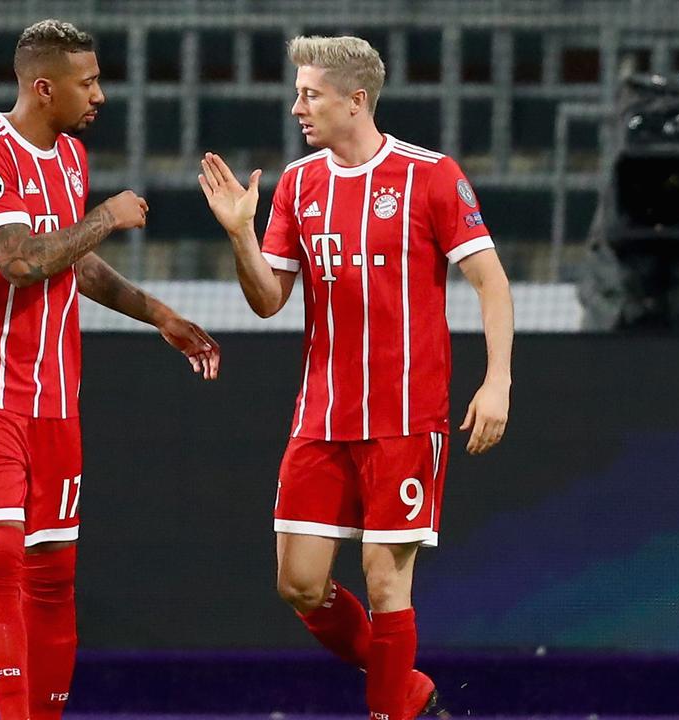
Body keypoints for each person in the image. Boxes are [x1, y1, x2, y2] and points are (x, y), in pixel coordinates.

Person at [199, 35, 512, 720]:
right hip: (322, 416)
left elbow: (490, 281)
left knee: (383, 579)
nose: (296, 107)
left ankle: (389, 711)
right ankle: (408, 687)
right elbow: (268, 299)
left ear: (356, 100)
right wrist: (239, 236)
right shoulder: (300, 184)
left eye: (309, 94)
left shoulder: (430, 175)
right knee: (300, 585)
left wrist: (498, 382)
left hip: (405, 416)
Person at [0, 19, 220, 720]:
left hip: (53, 399)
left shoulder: (71, 159)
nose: (100, 96)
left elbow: (69, 259)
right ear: (42, 86)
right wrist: (108, 217)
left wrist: (157, 314)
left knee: (53, 577)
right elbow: (21, 261)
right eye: (88, 82)